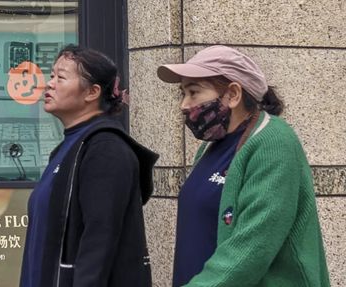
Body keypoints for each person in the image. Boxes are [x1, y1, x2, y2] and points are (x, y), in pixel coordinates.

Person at [158, 45, 329, 286]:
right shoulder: (210, 148)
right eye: (182, 93)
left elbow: (253, 245)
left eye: (193, 92)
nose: (184, 105)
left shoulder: (273, 142)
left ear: (233, 95)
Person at [20, 45, 157, 287]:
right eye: (52, 76)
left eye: (60, 77)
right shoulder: (68, 147)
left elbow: (99, 241)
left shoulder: (106, 149)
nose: (49, 84)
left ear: (92, 92)